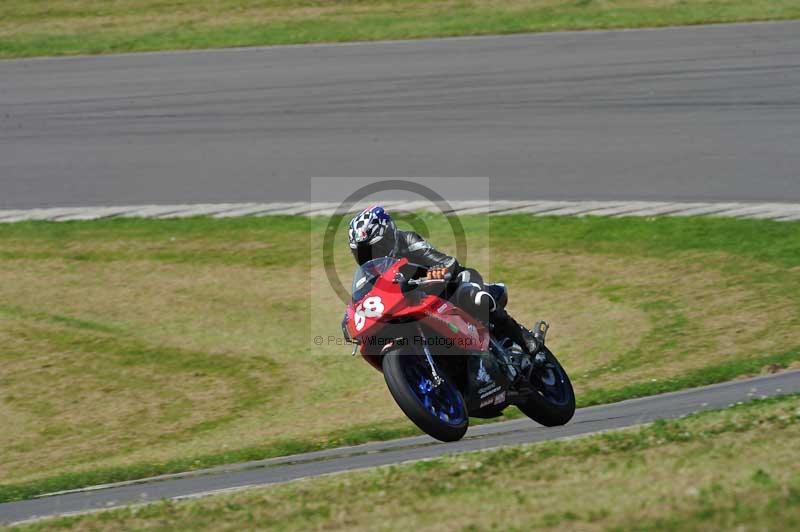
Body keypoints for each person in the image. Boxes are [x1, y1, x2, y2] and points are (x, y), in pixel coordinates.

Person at [346, 205, 545, 357]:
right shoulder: (369, 273)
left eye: (376, 248)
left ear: (389, 235)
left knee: (477, 297)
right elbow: (366, 300)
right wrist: (350, 319)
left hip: (448, 287)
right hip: (413, 307)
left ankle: (523, 337)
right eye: (362, 253)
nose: (371, 256)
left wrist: (434, 274)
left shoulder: (408, 241)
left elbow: (448, 263)